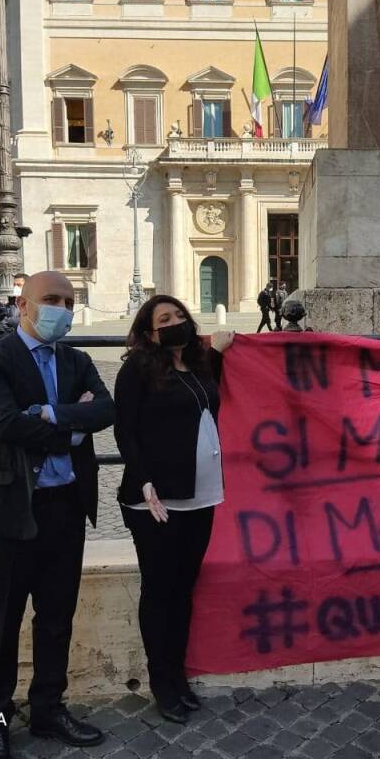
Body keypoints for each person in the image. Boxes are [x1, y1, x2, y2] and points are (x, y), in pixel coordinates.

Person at [0, 271, 115, 758]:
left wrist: (50, 414)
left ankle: (49, 708)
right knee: (2, 621)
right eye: (51, 299)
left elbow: (106, 410)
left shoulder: (78, 359)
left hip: (65, 508)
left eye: (69, 301)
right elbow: (6, 425)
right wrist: (74, 422)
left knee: (56, 618)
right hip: (8, 510)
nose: (62, 309)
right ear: (24, 305)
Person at [113, 295, 234, 724]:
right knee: (159, 590)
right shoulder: (137, 369)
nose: (176, 322)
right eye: (165, 318)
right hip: (154, 502)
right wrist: (144, 480)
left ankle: (178, 675)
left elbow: (205, 398)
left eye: (180, 315)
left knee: (183, 590)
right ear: (150, 332)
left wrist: (217, 350)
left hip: (201, 496)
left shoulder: (199, 366)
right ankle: (160, 681)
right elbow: (124, 430)